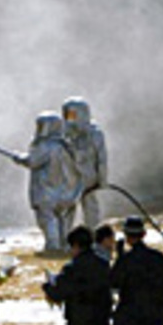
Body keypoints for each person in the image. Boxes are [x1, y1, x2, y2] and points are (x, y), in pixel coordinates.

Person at [3, 113, 81, 257]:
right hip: (63, 192)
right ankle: (63, 245)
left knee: (47, 219)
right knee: (61, 220)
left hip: (47, 191)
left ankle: (53, 246)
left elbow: (32, 161)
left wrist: (18, 157)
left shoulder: (46, 146)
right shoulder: (64, 145)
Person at [62, 97, 107, 229]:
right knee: (67, 210)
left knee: (91, 209)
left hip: (89, 179)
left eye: (72, 114)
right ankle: (64, 239)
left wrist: (102, 179)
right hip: (69, 179)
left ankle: (93, 235)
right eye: (67, 115)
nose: (70, 119)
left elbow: (102, 159)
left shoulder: (95, 134)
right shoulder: (62, 135)